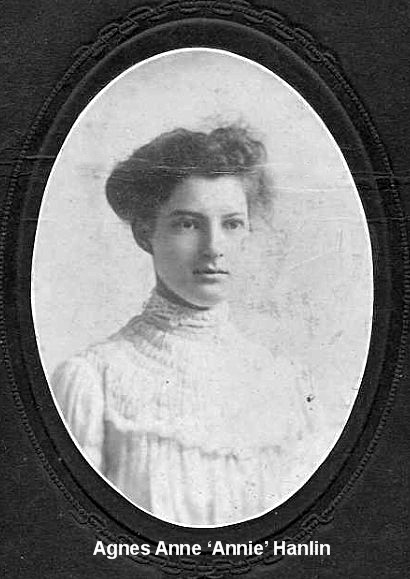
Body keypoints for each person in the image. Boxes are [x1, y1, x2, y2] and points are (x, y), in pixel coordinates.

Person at [53, 124, 323, 526]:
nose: (214, 248)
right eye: (188, 224)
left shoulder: (287, 386)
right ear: (146, 234)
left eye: (232, 223)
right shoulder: (94, 382)